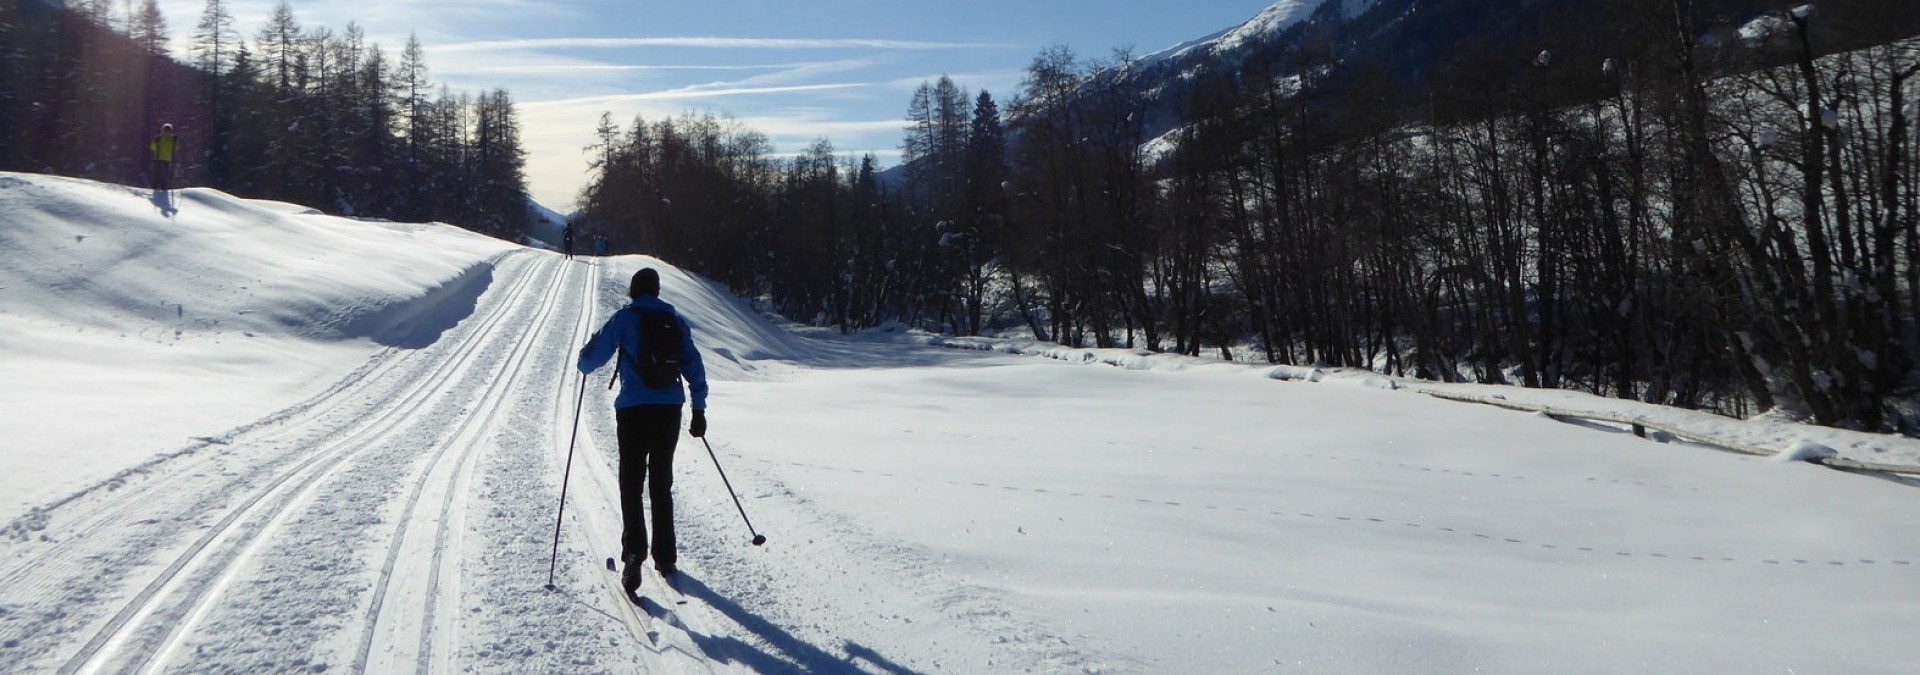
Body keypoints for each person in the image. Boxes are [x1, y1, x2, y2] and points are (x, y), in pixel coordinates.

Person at [577, 268, 709, 594]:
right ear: (658, 291)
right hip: (669, 410)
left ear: (634, 292)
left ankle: (634, 553)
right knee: (661, 483)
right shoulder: (675, 323)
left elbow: (589, 362)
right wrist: (699, 409)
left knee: (631, 483)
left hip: (634, 411)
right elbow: (694, 366)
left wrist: (585, 354)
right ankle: (666, 558)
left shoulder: (625, 318)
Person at [149, 123, 178, 193]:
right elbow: (152, 148)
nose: (166, 132)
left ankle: (164, 188)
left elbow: (176, 148)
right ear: (162, 131)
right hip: (158, 158)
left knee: (165, 175)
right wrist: (155, 142)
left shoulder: (172, 140)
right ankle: (154, 188)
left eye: (168, 131)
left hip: (167, 159)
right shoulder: (158, 138)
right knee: (157, 174)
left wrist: (175, 142)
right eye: (165, 130)